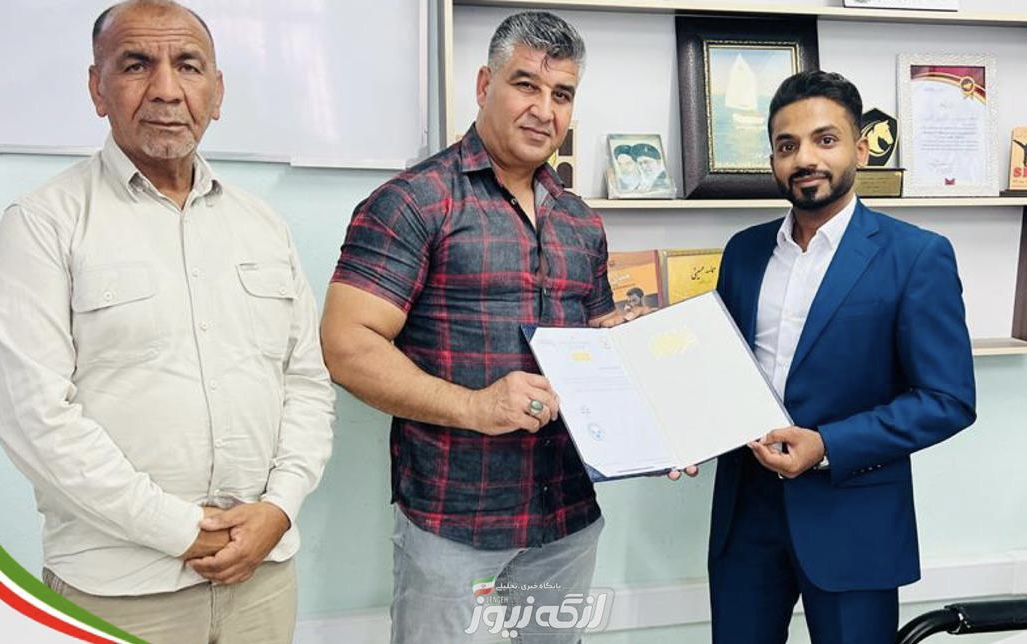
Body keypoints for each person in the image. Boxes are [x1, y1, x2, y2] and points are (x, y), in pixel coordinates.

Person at [0, 2, 335, 643]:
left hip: (262, 576)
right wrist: (180, 530)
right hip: (118, 588)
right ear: (97, 88)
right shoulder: (44, 224)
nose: (165, 89)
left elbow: (305, 383)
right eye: (135, 65)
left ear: (217, 91)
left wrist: (279, 507)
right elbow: (35, 417)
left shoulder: (262, 225)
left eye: (188, 66)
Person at [320, 11, 624, 644]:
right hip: (455, 519)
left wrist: (649, 390)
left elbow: (597, 346)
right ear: (485, 85)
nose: (544, 110)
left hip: (566, 512)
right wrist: (474, 406)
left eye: (561, 94)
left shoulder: (581, 221)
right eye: (526, 85)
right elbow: (347, 346)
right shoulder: (412, 202)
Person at [708, 70, 976, 643]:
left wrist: (828, 446)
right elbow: (721, 370)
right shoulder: (744, 252)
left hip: (854, 520)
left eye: (824, 139)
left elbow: (947, 400)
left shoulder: (916, 255)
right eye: (787, 145)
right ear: (773, 160)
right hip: (746, 515)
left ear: (860, 149)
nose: (805, 158)